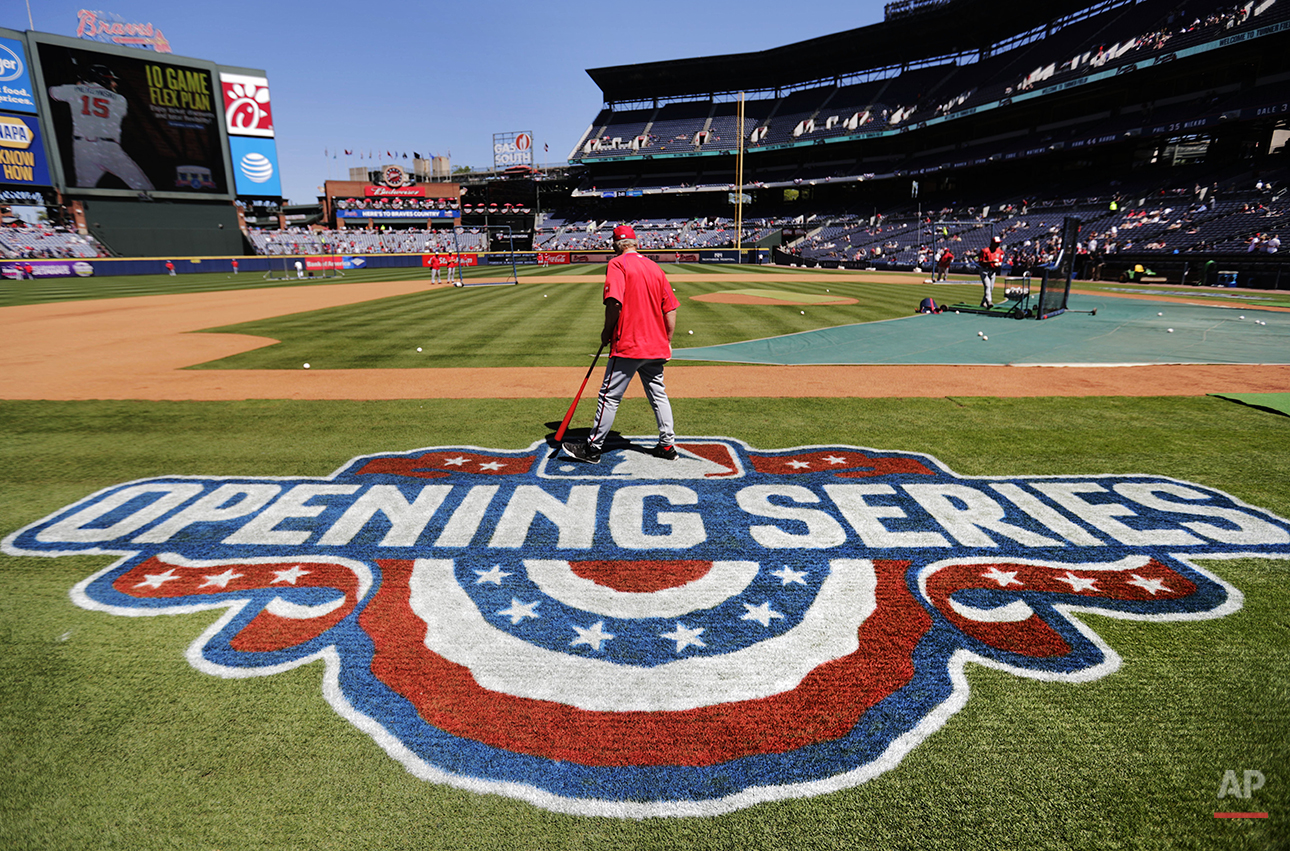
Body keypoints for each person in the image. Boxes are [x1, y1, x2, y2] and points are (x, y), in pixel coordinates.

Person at [563, 224, 679, 464]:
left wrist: (606, 332)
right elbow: (670, 309)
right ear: (636, 243)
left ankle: (593, 448)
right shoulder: (655, 267)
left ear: (615, 245)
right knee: (658, 394)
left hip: (628, 342)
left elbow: (614, 302)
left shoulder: (617, 264)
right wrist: (666, 341)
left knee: (609, 396)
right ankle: (667, 446)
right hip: (655, 345)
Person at [47, 65, 154, 191]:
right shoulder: (120, 99)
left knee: (83, 191)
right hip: (110, 149)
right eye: (111, 80)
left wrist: (78, 87)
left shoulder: (75, 89)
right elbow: (121, 112)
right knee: (145, 188)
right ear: (103, 79)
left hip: (83, 148)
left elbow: (51, 92)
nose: (114, 83)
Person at [976, 236, 1004, 308]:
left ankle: (983, 302)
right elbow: (981, 261)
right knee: (987, 286)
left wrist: (999, 264)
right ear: (992, 243)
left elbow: (1000, 260)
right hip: (984, 270)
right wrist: (991, 261)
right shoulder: (985, 251)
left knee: (991, 287)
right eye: (996, 243)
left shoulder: (999, 251)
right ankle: (989, 301)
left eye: (998, 244)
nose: (998, 245)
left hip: (993, 271)